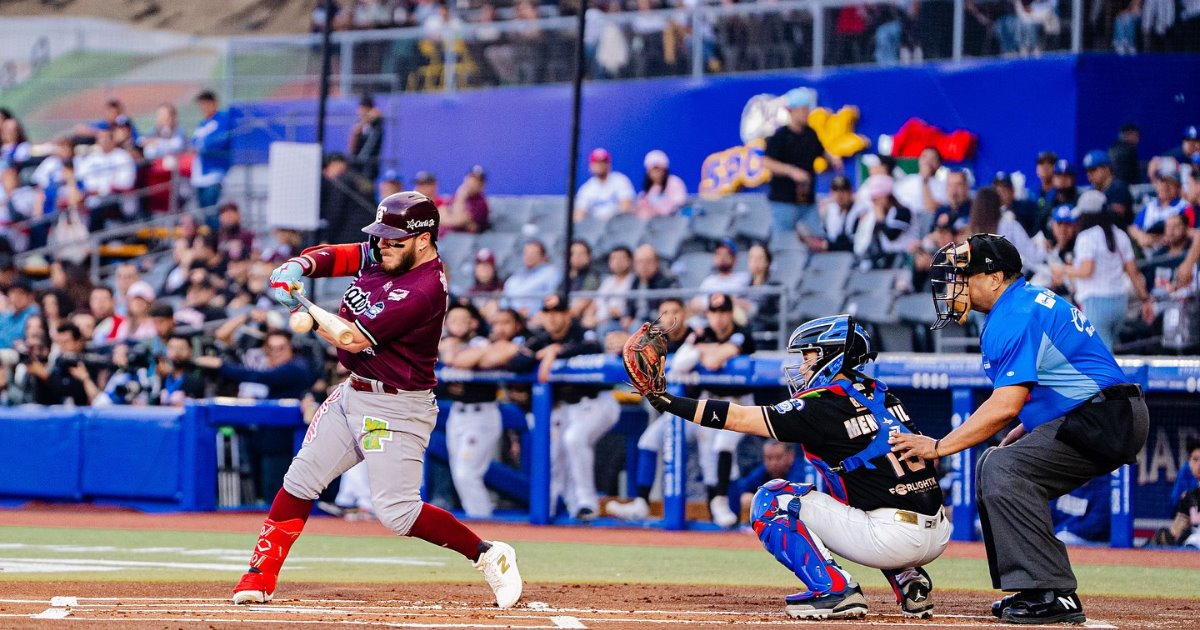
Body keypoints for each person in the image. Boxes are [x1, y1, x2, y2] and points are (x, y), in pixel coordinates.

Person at [230, 191, 522, 609]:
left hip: (397, 407)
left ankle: (489, 554)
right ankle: (259, 574)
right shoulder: (389, 252)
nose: (381, 245)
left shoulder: (423, 289)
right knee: (300, 479)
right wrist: (299, 265)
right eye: (381, 236)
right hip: (354, 391)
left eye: (393, 239)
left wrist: (305, 307)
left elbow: (350, 337)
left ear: (423, 240)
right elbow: (340, 255)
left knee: (398, 513)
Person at [892, 233, 1149, 624]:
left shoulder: (1014, 314)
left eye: (962, 276)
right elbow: (1045, 387)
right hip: (1099, 413)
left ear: (994, 277)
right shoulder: (1020, 304)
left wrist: (939, 446)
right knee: (996, 461)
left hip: (1105, 417)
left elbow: (1005, 405)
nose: (953, 286)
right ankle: (1033, 589)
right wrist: (1026, 429)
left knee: (1003, 468)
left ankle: (1053, 592)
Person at [628, 314, 947, 619]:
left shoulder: (820, 405)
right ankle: (910, 581)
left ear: (831, 356)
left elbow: (737, 418)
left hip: (891, 538)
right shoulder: (883, 395)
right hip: (938, 531)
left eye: (809, 356)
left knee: (771, 499)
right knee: (853, 487)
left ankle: (835, 590)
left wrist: (666, 401)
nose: (803, 365)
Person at [507, 293, 617, 521]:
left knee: (574, 439)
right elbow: (516, 363)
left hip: (599, 402)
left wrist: (557, 351)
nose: (553, 319)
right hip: (569, 408)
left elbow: (592, 347)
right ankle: (566, 506)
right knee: (556, 452)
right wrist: (543, 353)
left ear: (567, 314)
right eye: (548, 314)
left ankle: (587, 502)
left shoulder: (580, 332)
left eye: (558, 313)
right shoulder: (541, 339)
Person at [606, 297, 696, 521]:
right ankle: (641, 503)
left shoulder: (696, 334)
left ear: (684, 313)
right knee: (647, 441)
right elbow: (629, 353)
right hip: (673, 413)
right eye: (665, 312)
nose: (670, 317)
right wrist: (619, 345)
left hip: (702, 408)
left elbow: (690, 360)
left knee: (715, 457)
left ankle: (721, 505)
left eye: (675, 310)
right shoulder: (655, 340)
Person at [1052, 190, 1152, 349]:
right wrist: (1145, 299)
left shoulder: (1086, 237)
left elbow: (1086, 271)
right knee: (1106, 350)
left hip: (1096, 304)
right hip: (1120, 304)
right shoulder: (1120, 235)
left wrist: (1062, 270)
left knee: (1100, 358)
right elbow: (1133, 273)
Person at [437, 302, 504, 518]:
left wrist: (454, 354)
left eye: (462, 320)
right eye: (452, 320)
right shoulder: (446, 341)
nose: (456, 324)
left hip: (482, 414)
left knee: (467, 473)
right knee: (459, 473)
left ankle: (482, 520)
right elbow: (446, 354)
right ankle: (476, 518)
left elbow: (457, 359)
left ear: (473, 323)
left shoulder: (481, 342)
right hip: (458, 413)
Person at [762, 88, 843, 237]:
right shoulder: (780, 136)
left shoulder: (810, 134)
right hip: (783, 201)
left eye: (807, 109)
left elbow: (821, 151)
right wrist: (791, 171)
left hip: (807, 201)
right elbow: (767, 162)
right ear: (791, 111)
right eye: (803, 109)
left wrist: (832, 158)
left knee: (817, 236)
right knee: (784, 239)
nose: (806, 113)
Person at [964, 187, 1043, 267]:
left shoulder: (969, 231)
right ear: (998, 204)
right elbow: (1033, 255)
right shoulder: (1009, 225)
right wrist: (1043, 247)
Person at [1147, 439, 1200, 547]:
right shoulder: (1189, 497)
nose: (1199, 464)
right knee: (1190, 542)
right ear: (1189, 463)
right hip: (1196, 544)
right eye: (1195, 459)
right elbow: (1174, 533)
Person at [191, 91, 233, 209]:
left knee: (211, 209)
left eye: (205, 104)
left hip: (214, 173)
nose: (203, 108)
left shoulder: (222, 120)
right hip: (200, 174)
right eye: (201, 105)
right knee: (203, 210)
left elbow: (220, 141)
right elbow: (193, 142)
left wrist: (201, 147)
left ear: (214, 103)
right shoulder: (202, 124)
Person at [502, 239, 561, 316]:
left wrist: (535, 313)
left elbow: (551, 298)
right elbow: (505, 300)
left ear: (543, 256)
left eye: (533, 253)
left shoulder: (551, 272)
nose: (528, 256)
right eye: (526, 253)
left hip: (537, 316)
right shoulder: (516, 275)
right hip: (512, 317)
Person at [575, 148, 635, 221]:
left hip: (618, 225)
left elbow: (626, 208)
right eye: (596, 162)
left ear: (609, 164)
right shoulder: (586, 188)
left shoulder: (620, 180)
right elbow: (578, 216)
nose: (600, 165)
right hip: (595, 227)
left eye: (603, 162)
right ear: (591, 166)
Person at [1082, 149, 1134, 227]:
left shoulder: (1119, 189)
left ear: (1106, 168)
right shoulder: (1091, 192)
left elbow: (1116, 217)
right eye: (1087, 171)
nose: (1089, 174)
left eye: (1093, 170)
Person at [635, 149, 687, 218]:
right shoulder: (646, 192)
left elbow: (678, 204)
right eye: (653, 169)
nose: (656, 173)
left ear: (664, 169)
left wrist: (657, 210)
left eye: (658, 168)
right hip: (653, 225)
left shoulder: (674, 182)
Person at [441, 165, 490, 234]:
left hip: (462, 240)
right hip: (444, 238)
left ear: (482, 185)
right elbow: (440, 215)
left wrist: (461, 197)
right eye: (471, 178)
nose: (473, 182)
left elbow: (459, 220)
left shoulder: (481, 203)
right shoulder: (455, 195)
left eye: (477, 180)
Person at [348, 94, 384, 181]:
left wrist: (370, 117)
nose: (361, 112)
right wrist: (364, 121)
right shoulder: (359, 124)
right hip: (357, 165)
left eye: (365, 109)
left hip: (369, 166)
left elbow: (379, 115)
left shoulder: (376, 125)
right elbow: (352, 147)